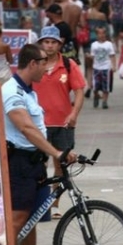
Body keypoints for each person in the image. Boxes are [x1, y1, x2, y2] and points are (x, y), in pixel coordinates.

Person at [1, 43, 77, 245]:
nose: (48, 67)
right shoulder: (12, 91)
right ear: (32, 63)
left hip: (34, 162)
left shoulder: (29, 91)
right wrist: (56, 152)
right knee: (19, 217)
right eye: (44, 61)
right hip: (19, 163)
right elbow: (26, 128)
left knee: (31, 218)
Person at [32, 26, 86, 220]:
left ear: (59, 44)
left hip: (63, 123)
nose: (49, 45)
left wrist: (74, 113)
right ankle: (39, 204)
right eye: (46, 41)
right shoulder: (34, 64)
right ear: (41, 43)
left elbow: (79, 90)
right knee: (38, 165)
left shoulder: (68, 64)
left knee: (61, 164)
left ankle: (54, 204)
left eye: (53, 42)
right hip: (38, 124)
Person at [82, 0, 108, 96]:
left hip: (87, 40)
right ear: (98, 3)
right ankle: (96, 88)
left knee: (88, 66)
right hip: (97, 41)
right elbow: (105, 30)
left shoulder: (86, 14)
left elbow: (83, 25)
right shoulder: (101, 15)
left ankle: (89, 85)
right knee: (97, 65)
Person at [89, 27, 116, 109]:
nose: (101, 35)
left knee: (106, 86)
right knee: (95, 86)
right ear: (96, 35)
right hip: (96, 67)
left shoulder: (109, 44)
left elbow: (112, 55)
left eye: (103, 33)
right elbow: (92, 56)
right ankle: (96, 96)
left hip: (106, 67)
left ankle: (104, 101)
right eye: (99, 33)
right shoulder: (94, 45)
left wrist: (114, 66)